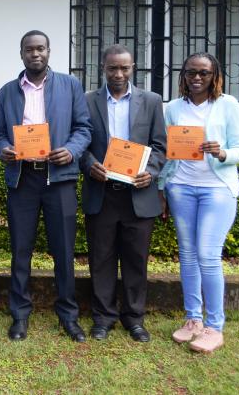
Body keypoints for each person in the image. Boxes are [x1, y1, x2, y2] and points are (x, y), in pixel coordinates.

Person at [0, 30, 92, 342]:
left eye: (40, 49)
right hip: (23, 179)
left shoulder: (70, 85)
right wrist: (4, 148)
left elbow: (83, 128)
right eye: (29, 49)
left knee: (63, 252)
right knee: (20, 251)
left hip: (59, 178)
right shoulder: (7, 92)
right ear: (21, 53)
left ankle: (68, 316)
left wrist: (72, 150)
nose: (35, 54)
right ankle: (20, 316)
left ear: (49, 52)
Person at [159, 53, 239, 353]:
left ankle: (214, 326)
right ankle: (193, 320)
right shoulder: (172, 108)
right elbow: (168, 153)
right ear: (183, 75)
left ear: (215, 76)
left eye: (204, 73)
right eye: (191, 72)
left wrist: (222, 153)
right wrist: (162, 189)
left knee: (208, 255)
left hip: (217, 190)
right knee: (187, 255)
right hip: (181, 188)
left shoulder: (228, 105)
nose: (197, 78)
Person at [80, 45, 166, 342]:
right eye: (112, 68)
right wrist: (90, 164)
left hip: (138, 195)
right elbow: (80, 142)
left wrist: (151, 172)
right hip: (101, 192)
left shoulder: (152, 101)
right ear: (103, 68)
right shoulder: (87, 101)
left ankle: (134, 318)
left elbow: (159, 146)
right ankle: (103, 318)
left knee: (135, 259)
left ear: (133, 68)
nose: (118, 74)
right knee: (101, 258)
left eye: (124, 68)